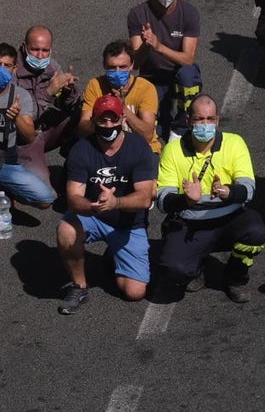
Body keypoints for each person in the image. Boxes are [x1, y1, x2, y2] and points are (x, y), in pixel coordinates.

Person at [156, 94, 265, 303]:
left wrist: (229, 192)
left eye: (209, 119)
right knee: (175, 269)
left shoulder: (235, 143)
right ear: (189, 120)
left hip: (229, 218)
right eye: (199, 119)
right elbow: (163, 201)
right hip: (191, 223)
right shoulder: (172, 150)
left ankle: (235, 276)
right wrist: (186, 200)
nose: (205, 125)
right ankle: (196, 267)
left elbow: (249, 189)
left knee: (257, 231)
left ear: (217, 121)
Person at [56, 94, 157, 314]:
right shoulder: (81, 150)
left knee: (134, 292)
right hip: (94, 215)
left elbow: (144, 197)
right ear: (93, 121)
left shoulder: (139, 148)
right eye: (103, 120)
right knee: (65, 230)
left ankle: (113, 258)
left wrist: (116, 202)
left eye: (113, 119)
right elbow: (73, 197)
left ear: (123, 119)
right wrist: (95, 206)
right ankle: (79, 286)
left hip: (128, 223)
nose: (108, 125)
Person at [127, 0, 202, 139]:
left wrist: (159, 47)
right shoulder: (138, 14)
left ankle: (182, 126)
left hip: (178, 75)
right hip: (151, 77)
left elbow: (188, 59)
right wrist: (147, 45)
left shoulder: (189, 13)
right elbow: (135, 63)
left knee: (188, 74)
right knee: (154, 129)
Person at [14, 26, 80, 184]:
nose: (40, 55)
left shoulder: (52, 67)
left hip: (41, 129)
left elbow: (69, 106)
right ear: (24, 47)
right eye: (35, 49)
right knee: (43, 199)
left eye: (45, 50)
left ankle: (74, 167)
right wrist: (48, 92)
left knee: (82, 117)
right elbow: (25, 118)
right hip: (20, 137)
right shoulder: (12, 72)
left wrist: (68, 90)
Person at [78, 40, 162, 156]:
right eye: (112, 68)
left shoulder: (145, 88)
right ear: (104, 66)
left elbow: (147, 135)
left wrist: (122, 107)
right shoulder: (95, 85)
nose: (117, 72)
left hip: (142, 150)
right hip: (105, 149)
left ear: (132, 64)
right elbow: (83, 129)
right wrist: (103, 113)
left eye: (122, 67)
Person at [0, 44, 55, 208]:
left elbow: (30, 136)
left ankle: (7, 189)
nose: (1, 69)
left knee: (45, 199)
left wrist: (16, 118)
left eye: (7, 65)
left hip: (4, 162)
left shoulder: (20, 95)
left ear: (14, 69)